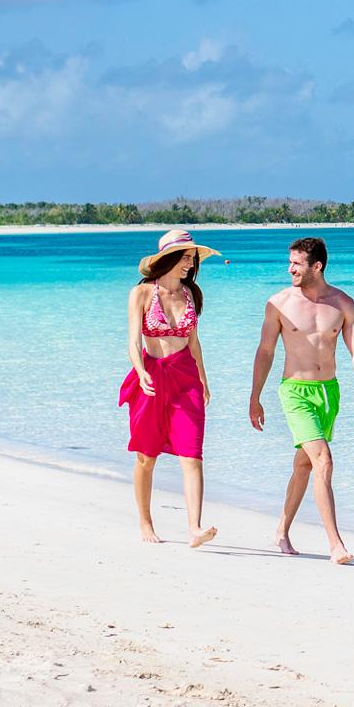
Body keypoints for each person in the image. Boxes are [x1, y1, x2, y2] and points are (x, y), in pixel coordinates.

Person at [249, 235, 354, 564]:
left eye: (296, 264)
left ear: (316, 267)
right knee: (324, 461)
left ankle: (281, 531)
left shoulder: (343, 303)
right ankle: (336, 545)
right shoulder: (279, 303)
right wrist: (255, 397)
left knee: (304, 465)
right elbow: (265, 352)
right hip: (295, 391)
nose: (289, 268)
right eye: (289, 262)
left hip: (328, 391)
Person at [121, 227, 223, 547]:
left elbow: (194, 341)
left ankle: (194, 527)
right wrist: (139, 372)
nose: (190, 264)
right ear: (169, 258)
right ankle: (145, 521)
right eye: (186, 257)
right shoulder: (141, 294)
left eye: (192, 258)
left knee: (192, 454)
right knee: (146, 456)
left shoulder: (190, 295)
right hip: (151, 377)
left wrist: (204, 380)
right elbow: (133, 342)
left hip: (185, 378)